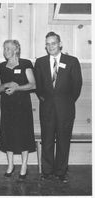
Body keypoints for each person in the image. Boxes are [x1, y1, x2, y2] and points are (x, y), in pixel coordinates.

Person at [34, 32, 82, 183]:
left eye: (53, 43)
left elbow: (77, 86)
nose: (50, 47)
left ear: (60, 44)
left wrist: (65, 102)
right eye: (48, 44)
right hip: (46, 108)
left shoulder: (72, 61)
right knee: (47, 140)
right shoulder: (40, 62)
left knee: (63, 140)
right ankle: (46, 171)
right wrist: (47, 99)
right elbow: (38, 86)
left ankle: (61, 172)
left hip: (65, 109)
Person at [0, 40, 36, 180]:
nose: (5, 51)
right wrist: (7, 85)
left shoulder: (26, 64)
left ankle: (24, 165)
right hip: (7, 106)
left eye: (8, 48)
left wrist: (17, 87)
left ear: (16, 49)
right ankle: (10, 165)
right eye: (4, 48)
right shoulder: (1, 66)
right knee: (8, 133)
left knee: (24, 133)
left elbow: (33, 84)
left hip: (22, 105)